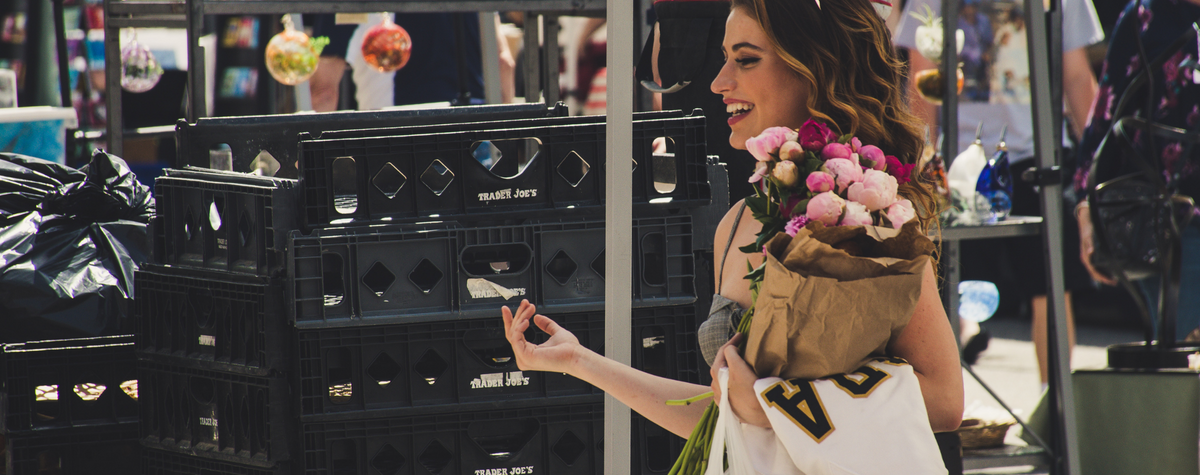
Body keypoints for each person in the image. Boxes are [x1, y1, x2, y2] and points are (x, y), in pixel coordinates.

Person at [500, 0, 965, 441]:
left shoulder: (867, 212)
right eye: (724, 59)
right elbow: (728, 418)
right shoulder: (735, 224)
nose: (719, 82)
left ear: (812, 69)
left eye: (745, 60)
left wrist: (780, 404)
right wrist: (579, 361)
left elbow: (945, 401)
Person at [896, 0, 1104, 382]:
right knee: (942, 287)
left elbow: (1076, 76)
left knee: (1050, 285)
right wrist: (924, 158)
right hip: (956, 160)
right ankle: (950, 418)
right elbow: (921, 79)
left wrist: (1097, 165)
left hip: (1034, 155)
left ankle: (1054, 404)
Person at [1074, 0, 1200, 342]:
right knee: (1184, 362)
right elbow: (1107, 116)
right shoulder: (1146, 16)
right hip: (1172, 220)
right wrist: (1087, 207)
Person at [309, 12, 514, 111]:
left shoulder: (350, 6)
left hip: (392, 139)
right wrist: (502, 142)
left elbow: (323, 92)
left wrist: (311, 170)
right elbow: (504, 63)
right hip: (473, 133)